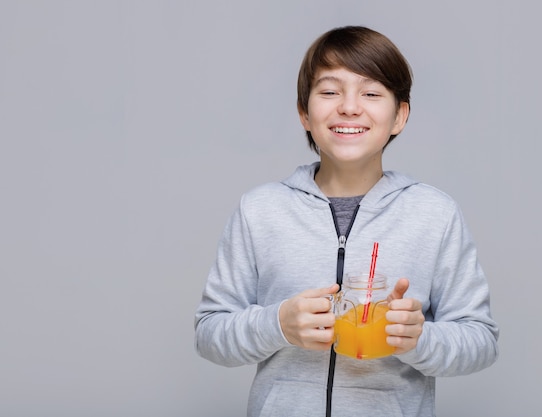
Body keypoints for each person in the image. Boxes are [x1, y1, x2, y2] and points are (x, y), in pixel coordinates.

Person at [195, 25, 499, 417]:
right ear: (305, 113)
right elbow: (209, 333)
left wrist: (418, 339)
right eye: (329, 91)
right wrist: (278, 325)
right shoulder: (260, 210)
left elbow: (482, 340)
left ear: (399, 116)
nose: (350, 107)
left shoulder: (433, 213)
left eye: (371, 93)